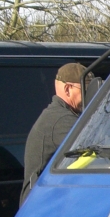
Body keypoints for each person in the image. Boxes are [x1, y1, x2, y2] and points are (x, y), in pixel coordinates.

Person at [21, 62, 91, 203]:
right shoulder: (61, 120)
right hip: (42, 203)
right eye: (86, 90)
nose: (90, 96)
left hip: (46, 199)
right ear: (68, 89)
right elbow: (97, 148)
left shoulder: (57, 114)